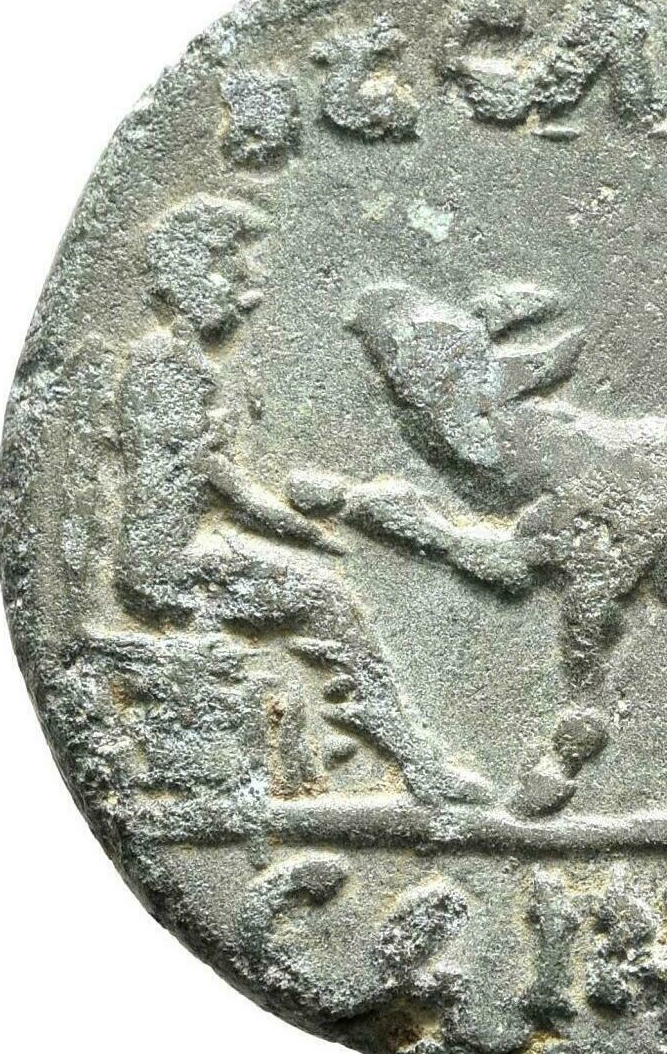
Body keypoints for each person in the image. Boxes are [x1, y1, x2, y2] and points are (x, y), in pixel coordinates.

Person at [113, 195, 490, 807]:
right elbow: (220, 486)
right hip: (167, 570)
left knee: (322, 598)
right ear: (187, 277)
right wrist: (305, 532)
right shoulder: (169, 370)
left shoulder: (176, 367)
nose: (247, 293)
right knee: (326, 602)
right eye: (231, 272)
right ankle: (417, 766)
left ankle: (401, 758)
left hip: (173, 558)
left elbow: (213, 479)